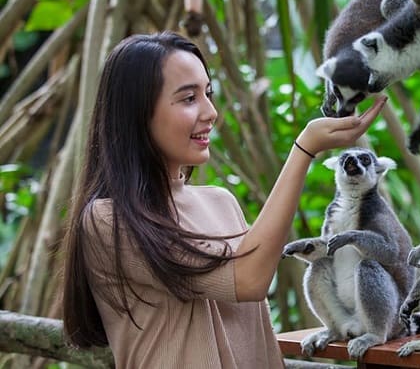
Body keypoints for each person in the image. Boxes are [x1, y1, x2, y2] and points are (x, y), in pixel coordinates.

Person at [61, 31, 387, 368]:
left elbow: (255, 332)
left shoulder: (221, 202)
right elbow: (248, 279)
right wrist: (304, 150)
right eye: (189, 98)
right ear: (138, 112)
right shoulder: (108, 219)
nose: (211, 112)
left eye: (208, 94)